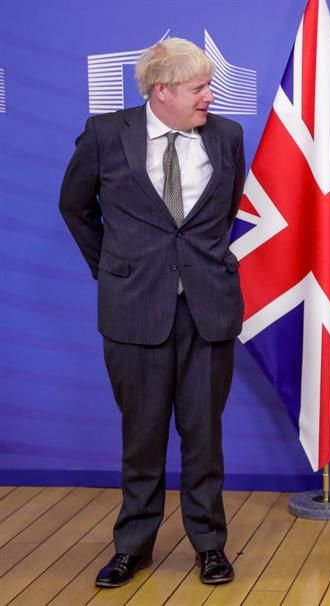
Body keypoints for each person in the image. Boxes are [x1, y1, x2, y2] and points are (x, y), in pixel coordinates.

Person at [59, 38, 245, 587]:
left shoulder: (228, 137)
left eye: (209, 86)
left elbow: (225, 211)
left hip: (208, 309)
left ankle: (209, 545)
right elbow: (75, 207)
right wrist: (115, 270)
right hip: (134, 311)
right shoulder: (104, 135)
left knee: (204, 435)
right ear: (160, 91)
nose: (210, 97)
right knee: (141, 436)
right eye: (199, 88)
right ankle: (133, 546)